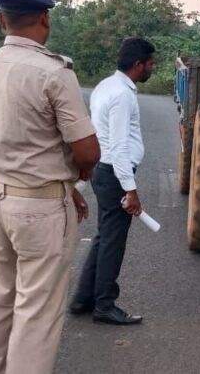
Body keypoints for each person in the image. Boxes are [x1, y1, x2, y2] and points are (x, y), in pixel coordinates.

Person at [0, 0, 100, 374]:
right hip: (41, 210)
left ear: (1, 20)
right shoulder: (54, 73)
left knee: (1, 298)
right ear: (45, 18)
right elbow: (88, 152)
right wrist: (72, 178)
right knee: (37, 312)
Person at [69, 37, 154, 325]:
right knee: (113, 241)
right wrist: (131, 190)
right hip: (114, 173)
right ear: (138, 64)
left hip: (103, 171)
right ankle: (104, 305)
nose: (152, 68)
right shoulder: (122, 95)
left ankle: (83, 298)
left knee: (105, 236)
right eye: (150, 63)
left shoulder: (106, 86)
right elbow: (118, 147)